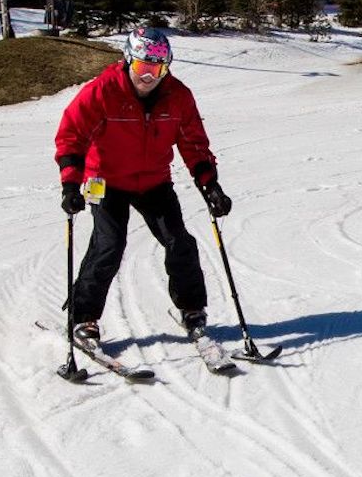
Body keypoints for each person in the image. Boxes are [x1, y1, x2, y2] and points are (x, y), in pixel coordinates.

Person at [53, 26, 233, 344]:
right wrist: (70, 185)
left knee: (179, 241)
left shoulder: (178, 97)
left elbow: (194, 144)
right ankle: (83, 317)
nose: (148, 77)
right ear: (128, 60)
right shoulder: (103, 91)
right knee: (108, 244)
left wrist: (210, 185)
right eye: (142, 68)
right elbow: (72, 135)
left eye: (157, 69)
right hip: (103, 180)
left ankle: (193, 310)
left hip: (153, 181)